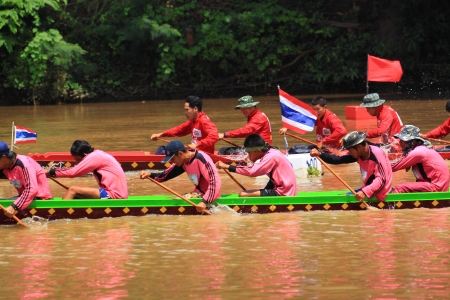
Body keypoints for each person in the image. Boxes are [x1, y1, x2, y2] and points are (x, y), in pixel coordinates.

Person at [140, 140, 221, 213]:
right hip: (198, 194)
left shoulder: (201, 158)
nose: (171, 162)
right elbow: (164, 176)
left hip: (209, 197)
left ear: (180, 154)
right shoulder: (182, 161)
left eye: (172, 159)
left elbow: (215, 182)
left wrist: (204, 202)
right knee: (173, 200)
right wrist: (149, 174)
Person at [310, 131, 392, 202]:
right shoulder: (359, 154)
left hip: (381, 193)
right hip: (368, 190)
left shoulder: (376, 154)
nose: (349, 152)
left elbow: (382, 180)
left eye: (349, 150)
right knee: (345, 195)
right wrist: (320, 154)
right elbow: (337, 159)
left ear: (359, 147)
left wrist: (364, 192)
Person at [215, 134, 297, 197]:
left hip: (284, 192)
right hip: (282, 187)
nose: (248, 156)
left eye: (249, 153)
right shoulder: (271, 151)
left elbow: (252, 172)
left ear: (258, 151)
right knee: (249, 192)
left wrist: (227, 166)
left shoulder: (271, 156)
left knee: (242, 194)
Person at [45, 140, 128, 199]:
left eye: (78, 160)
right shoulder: (97, 154)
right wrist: (52, 173)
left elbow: (73, 172)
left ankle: (59, 215)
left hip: (114, 195)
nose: (78, 163)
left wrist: (50, 171)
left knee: (72, 190)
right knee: (73, 195)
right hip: (115, 193)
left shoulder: (95, 157)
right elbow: (73, 170)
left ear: (85, 155)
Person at [151, 95, 219, 153]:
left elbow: (214, 136)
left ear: (195, 108)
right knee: (162, 149)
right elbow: (179, 130)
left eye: (187, 110)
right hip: (194, 153)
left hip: (203, 156)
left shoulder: (204, 121)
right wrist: (161, 134)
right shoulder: (193, 121)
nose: (185, 113)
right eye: (185, 110)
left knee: (162, 152)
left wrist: (197, 144)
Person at [0, 141, 52, 218]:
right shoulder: (5, 166)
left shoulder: (24, 164)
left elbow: (32, 190)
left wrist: (14, 207)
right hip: (23, 197)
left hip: (38, 198)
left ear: (4, 157)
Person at [391, 125, 449, 193]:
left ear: (411, 142)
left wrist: (377, 165)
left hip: (436, 186)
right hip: (435, 184)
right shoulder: (421, 149)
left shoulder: (418, 152)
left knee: (400, 187)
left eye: (402, 141)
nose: (399, 143)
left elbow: (394, 167)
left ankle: (391, 203)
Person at [279, 96, 347, 150]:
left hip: (333, 150)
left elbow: (342, 131)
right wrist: (287, 128)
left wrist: (323, 141)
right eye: (314, 109)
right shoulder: (317, 116)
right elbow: (304, 121)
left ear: (325, 107)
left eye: (318, 109)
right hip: (321, 147)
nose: (316, 112)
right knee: (294, 149)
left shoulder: (331, 118)